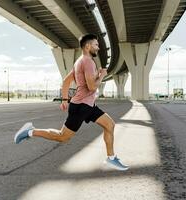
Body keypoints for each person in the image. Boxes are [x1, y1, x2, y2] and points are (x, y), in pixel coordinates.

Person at [14, 34, 129, 171]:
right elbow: (92, 87)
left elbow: (66, 81)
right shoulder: (88, 62)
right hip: (81, 107)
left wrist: (64, 99)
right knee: (62, 137)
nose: (98, 48)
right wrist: (102, 76)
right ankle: (30, 131)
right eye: (96, 45)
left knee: (109, 125)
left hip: (88, 105)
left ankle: (111, 158)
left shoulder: (79, 61)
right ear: (87, 46)